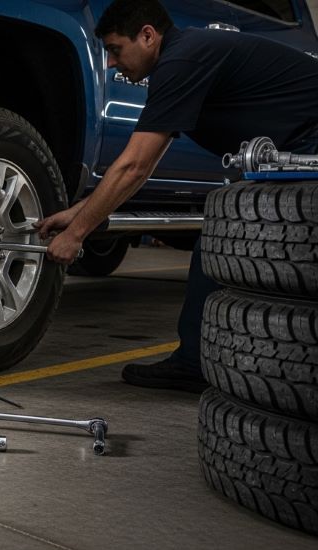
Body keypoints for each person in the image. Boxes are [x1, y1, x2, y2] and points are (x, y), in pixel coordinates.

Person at [35, 0, 318, 392]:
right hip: (289, 145)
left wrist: (77, 234)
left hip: (308, 141)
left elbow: (135, 166)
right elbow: (144, 164)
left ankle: (194, 362)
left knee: (227, 237)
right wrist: (81, 211)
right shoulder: (185, 58)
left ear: (148, 36)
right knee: (217, 239)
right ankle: (196, 361)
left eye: (116, 50)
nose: (112, 64)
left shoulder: (182, 61)